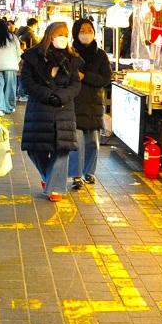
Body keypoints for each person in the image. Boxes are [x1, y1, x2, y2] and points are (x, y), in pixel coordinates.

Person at [21, 22, 83, 201]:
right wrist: (48, 95)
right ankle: (50, 178)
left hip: (64, 109)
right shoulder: (33, 56)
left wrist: (61, 96)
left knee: (62, 148)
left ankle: (55, 188)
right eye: (58, 33)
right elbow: (27, 82)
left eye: (65, 34)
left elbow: (75, 84)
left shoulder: (72, 58)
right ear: (49, 35)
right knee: (35, 149)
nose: (62, 37)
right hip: (40, 108)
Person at [68, 18, 111, 189]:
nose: (86, 33)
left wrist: (85, 77)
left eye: (89, 30)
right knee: (76, 141)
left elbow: (106, 79)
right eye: (82, 30)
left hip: (94, 104)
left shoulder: (100, 55)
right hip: (75, 103)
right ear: (76, 33)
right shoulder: (70, 53)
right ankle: (76, 175)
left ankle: (89, 172)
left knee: (93, 142)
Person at [0, 19, 22, 115]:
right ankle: (9, 107)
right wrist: (16, 61)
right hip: (10, 65)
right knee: (10, 87)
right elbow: (18, 51)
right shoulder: (13, 37)